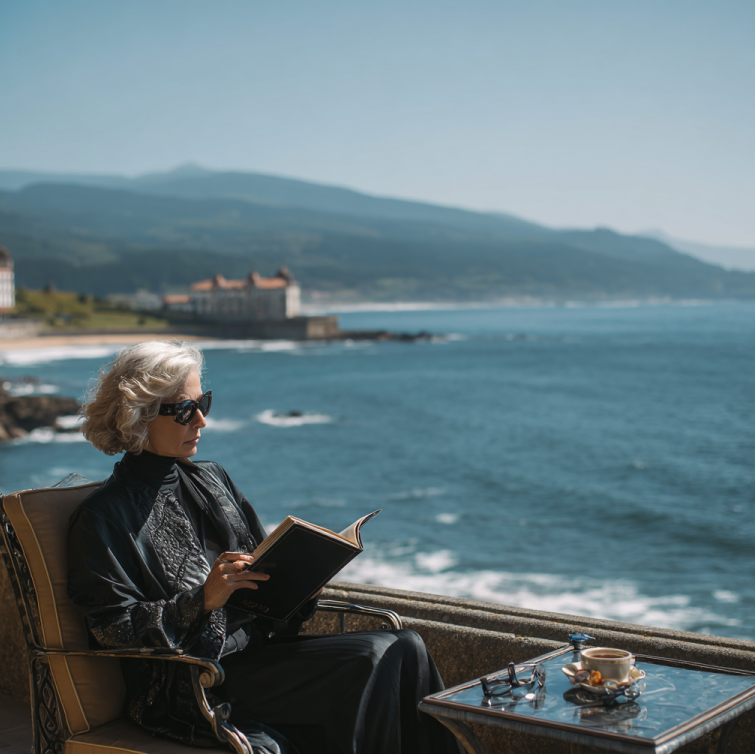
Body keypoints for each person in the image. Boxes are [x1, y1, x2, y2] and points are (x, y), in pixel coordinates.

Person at [67, 340, 459, 754]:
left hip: (259, 655)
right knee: (372, 656)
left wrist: (299, 587)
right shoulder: (103, 516)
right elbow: (110, 629)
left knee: (407, 645)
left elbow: (260, 569)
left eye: (205, 403)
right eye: (185, 410)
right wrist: (202, 600)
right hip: (195, 680)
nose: (201, 421)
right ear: (138, 415)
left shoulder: (212, 479)